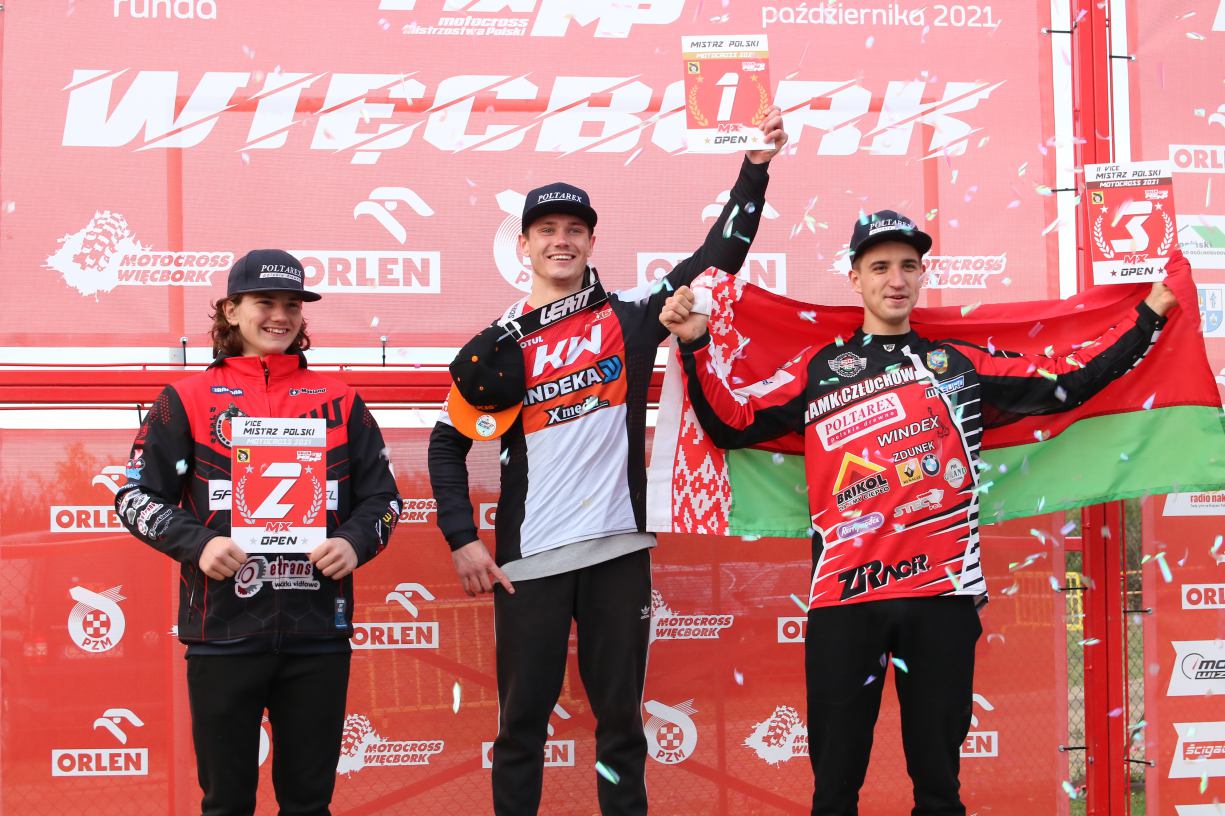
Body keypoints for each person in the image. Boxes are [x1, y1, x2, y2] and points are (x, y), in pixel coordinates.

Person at [658, 210, 1180, 816]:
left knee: (939, 789)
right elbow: (731, 425)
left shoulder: (958, 365)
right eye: (880, 266)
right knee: (833, 792)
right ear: (855, 278)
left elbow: (1070, 383)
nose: (896, 279)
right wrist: (695, 342)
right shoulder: (819, 369)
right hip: (844, 600)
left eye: (908, 266)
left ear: (922, 275)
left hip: (942, 597)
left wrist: (1149, 315)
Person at [427, 109, 788, 815]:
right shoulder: (498, 344)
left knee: (621, 726)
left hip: (617, 554)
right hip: (529, 562)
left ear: (592, 241)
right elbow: (446, 443)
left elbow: (720, 256)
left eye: (574, 229)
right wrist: (462, 538)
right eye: (546, 230)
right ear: (524, 245)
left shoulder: (630, 319)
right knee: (520, 728)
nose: (560, 240)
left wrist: (755, 167)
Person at [114, 249, 401, 816]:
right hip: (222, 630)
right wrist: (199, 543)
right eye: (265, 302)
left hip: (317, 631)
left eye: (292, 304)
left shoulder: (340, 399)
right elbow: (134, 497)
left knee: (308, 803)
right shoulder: (185, 399)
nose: (280, 315)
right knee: (226, 804)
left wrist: (354, 542)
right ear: (231, 310)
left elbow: (384, 500)